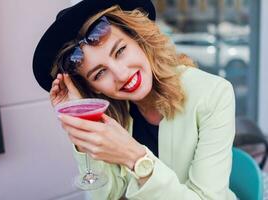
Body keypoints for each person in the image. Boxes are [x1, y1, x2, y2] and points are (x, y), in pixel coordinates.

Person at [32, 0, 236, 199]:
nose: (121, 74)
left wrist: (135, 158)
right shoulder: (114, 112)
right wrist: (83, 115)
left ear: (139, 39)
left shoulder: (214, 93)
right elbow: (107, 195)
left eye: (120, 51)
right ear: (93, 88)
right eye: (99, 73)